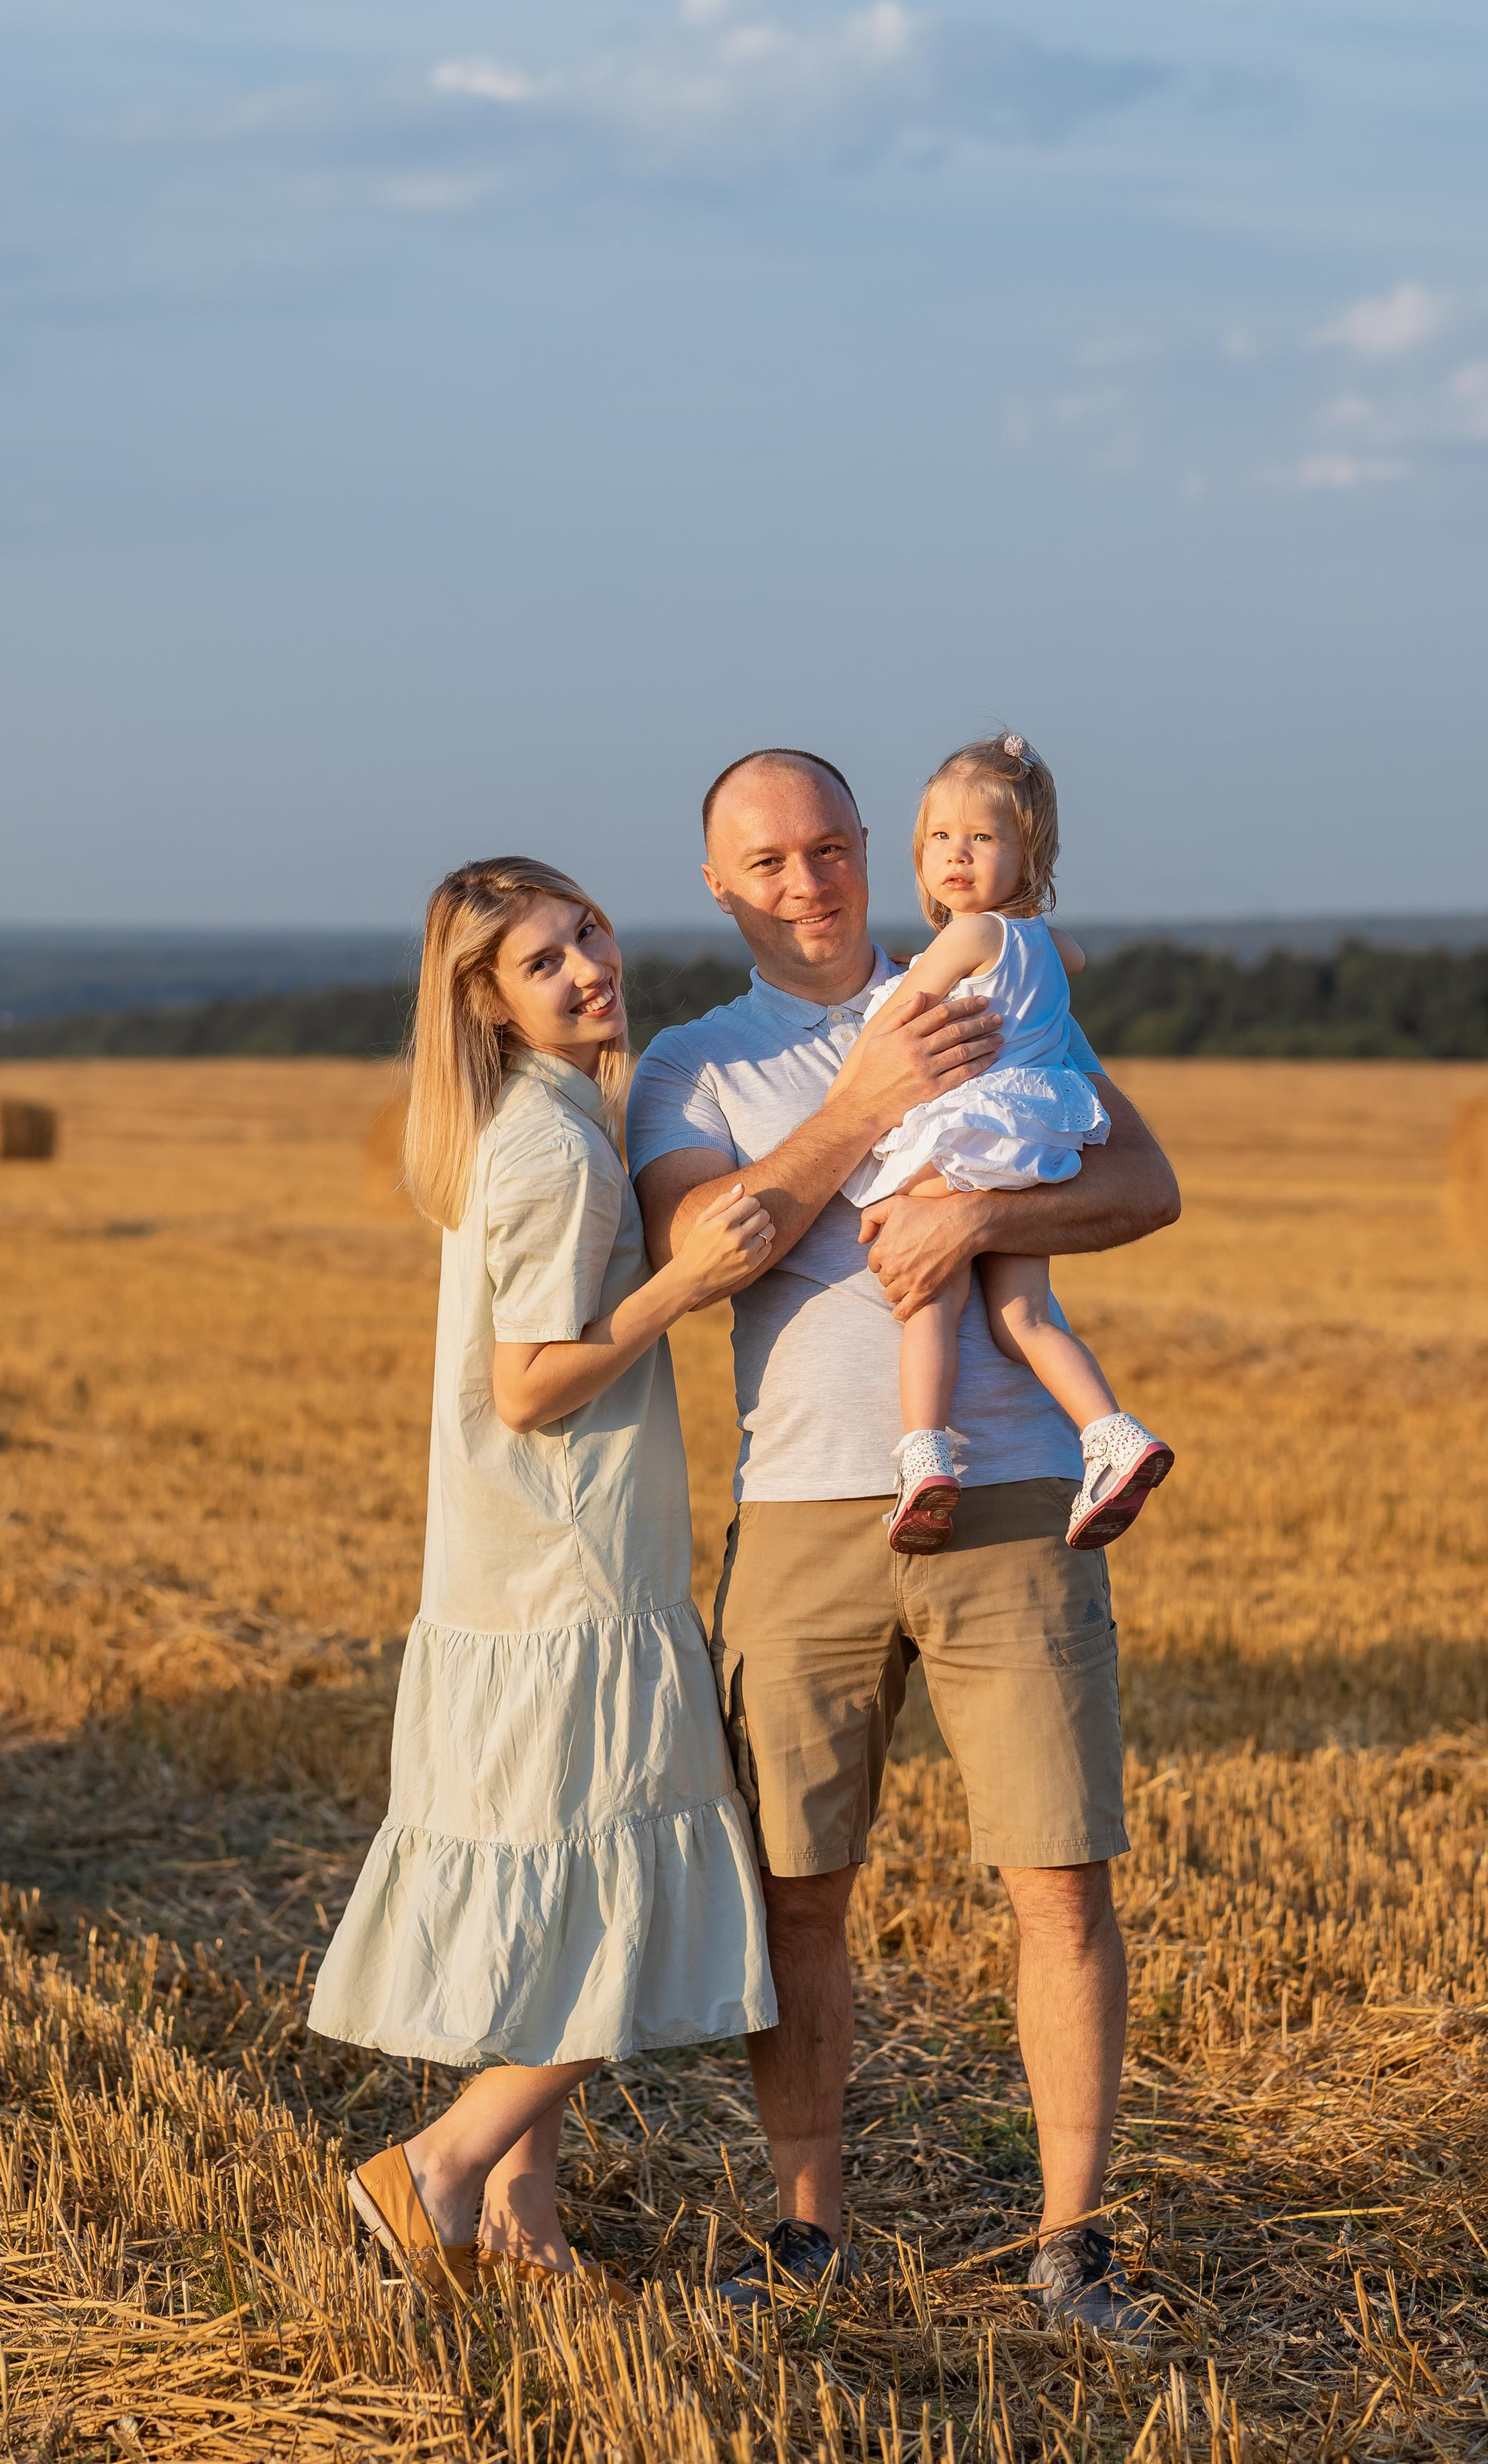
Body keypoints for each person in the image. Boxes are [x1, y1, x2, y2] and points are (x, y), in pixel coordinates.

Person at [627, 750, 1180, 2338]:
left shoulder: (983, 975)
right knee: (796, 1889)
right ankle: (810, 2231)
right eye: (767, 863)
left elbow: (1140, 1178)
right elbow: (708, 1248)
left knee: (1057, 1879)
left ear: (870, 851)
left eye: (826, 848)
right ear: (721, 888)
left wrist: (980, 1219)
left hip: (1008, 1496)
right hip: (804, 1511)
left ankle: (1071, 2245)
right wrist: (864, 1104)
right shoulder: (693, 1063)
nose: (805, 881)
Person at [310, 856, 778, 2307]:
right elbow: (530, 1385)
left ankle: (520, 2210)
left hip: (520, 1572)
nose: (588, 968)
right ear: (489, 1003)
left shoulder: (536, 1119)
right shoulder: (555, 1150)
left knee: (556, 1888)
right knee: (629, 1903)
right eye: (543, 961)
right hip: (572, 1576)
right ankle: (435, 2169)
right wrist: (683, 1284)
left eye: (588, 933)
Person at [841, 730, 1175, 1559]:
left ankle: (924, 1457)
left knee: (930, 1300)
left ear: (1026, 858)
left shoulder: (966, 939)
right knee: (1021, 1314)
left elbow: (892, 1022)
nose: (956, 855)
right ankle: (1109, 1433)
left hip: (966, 1128)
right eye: (940, 839)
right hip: (1036, 1139)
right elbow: (1076, 956)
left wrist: (857, 1070)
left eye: (982, 839)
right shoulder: (1047, 945)